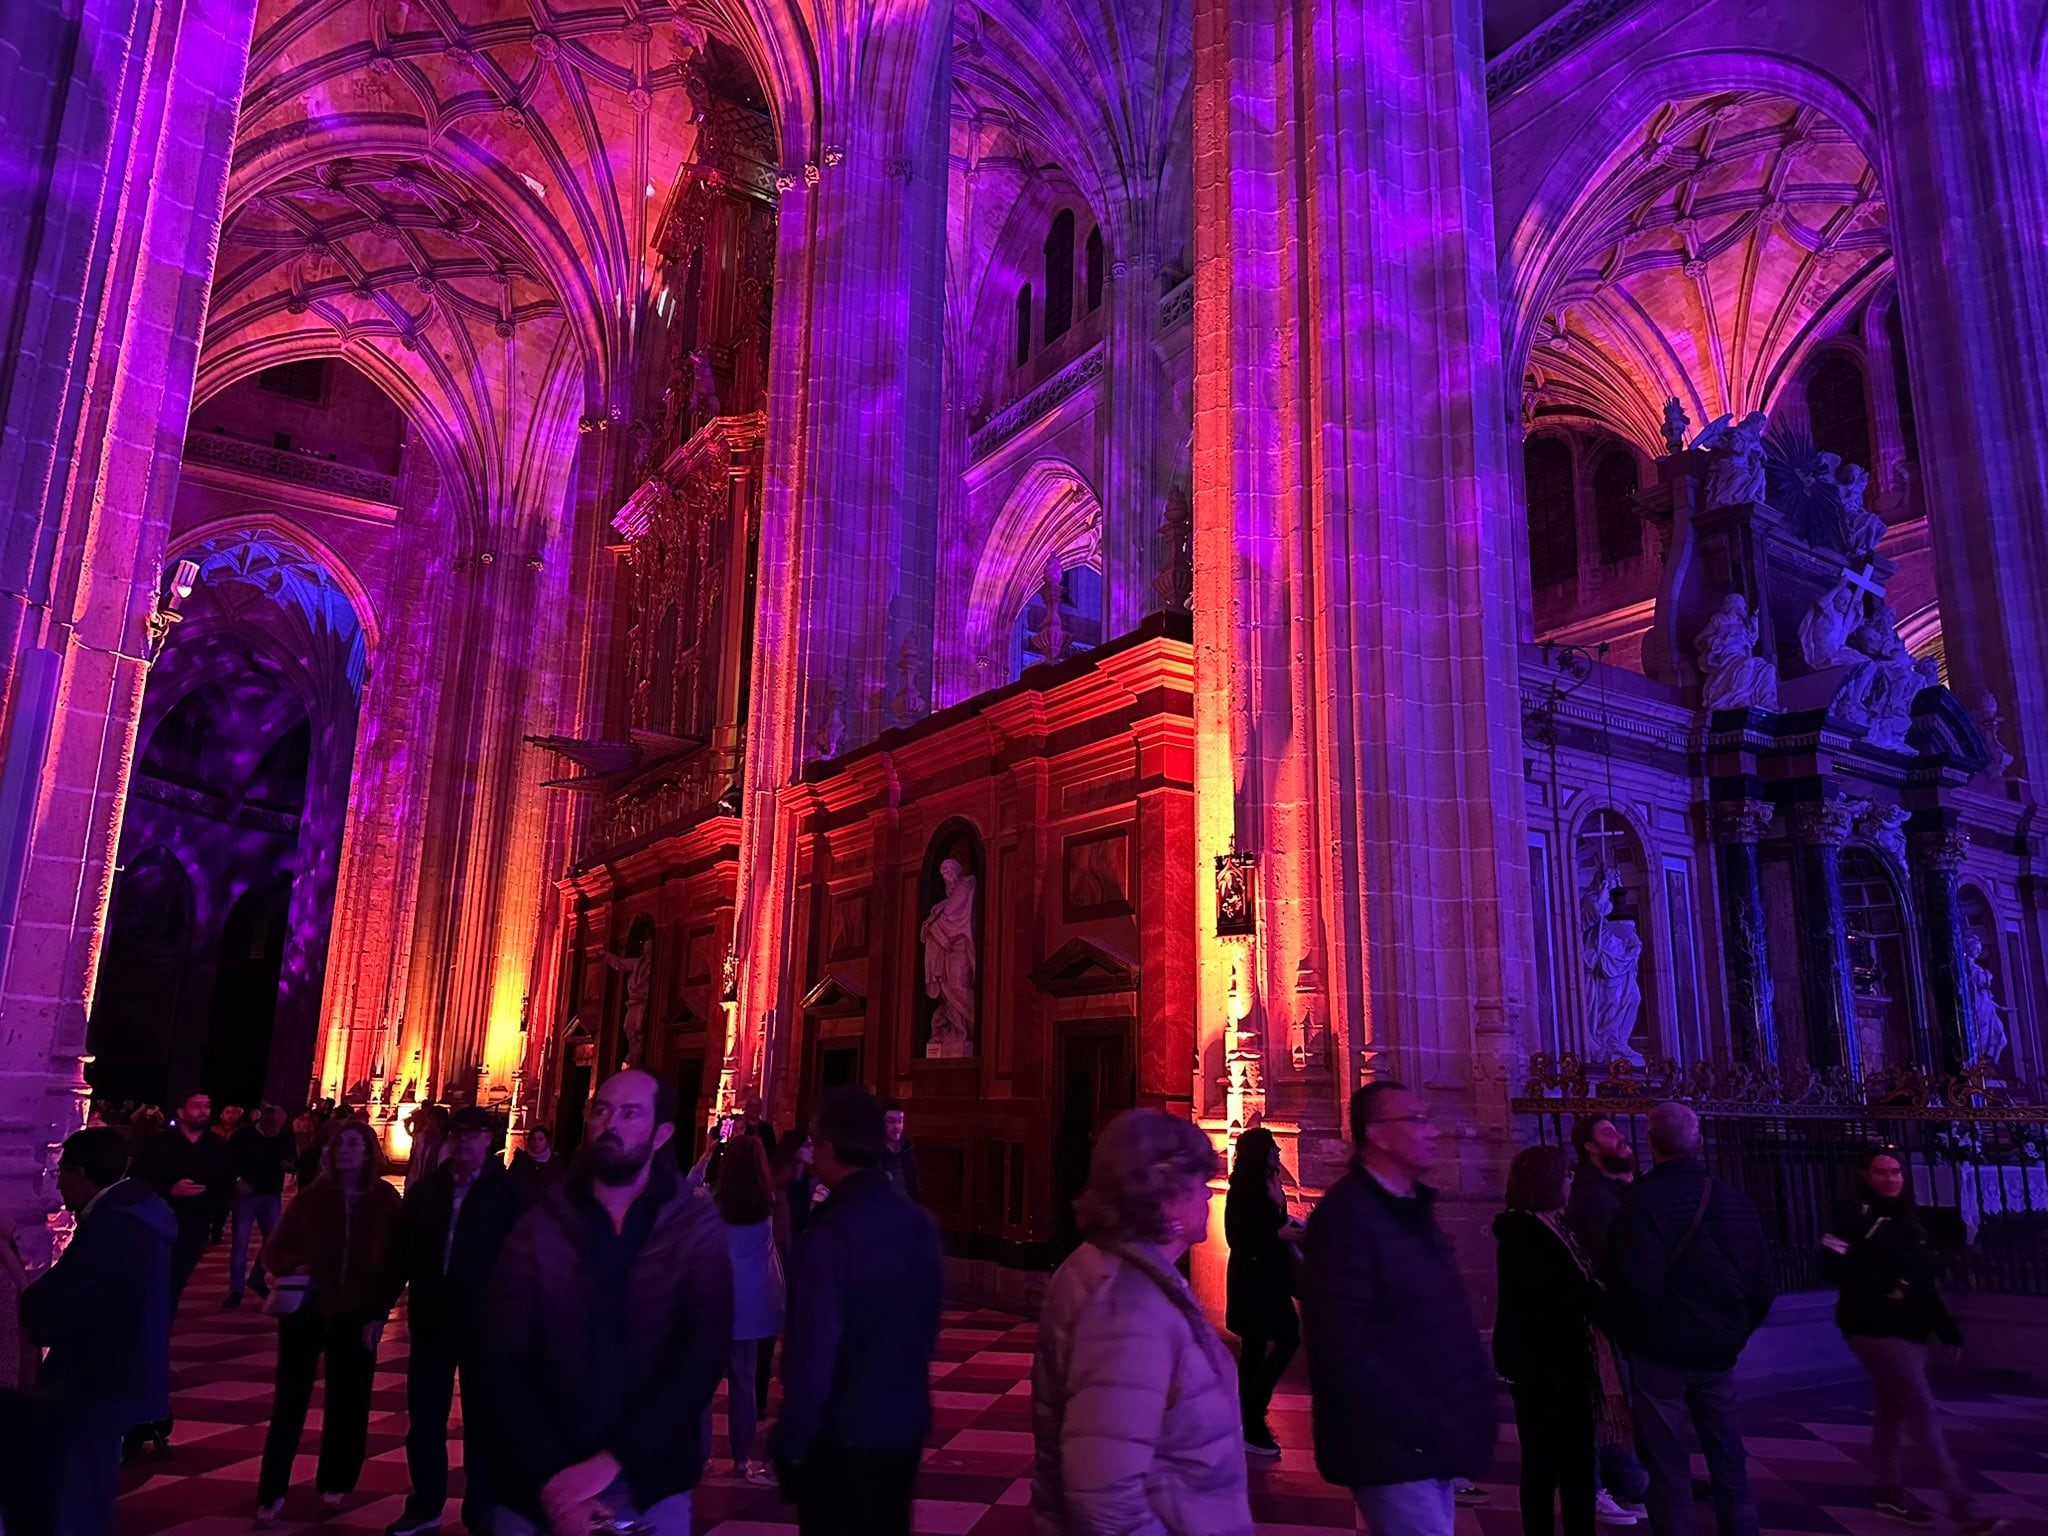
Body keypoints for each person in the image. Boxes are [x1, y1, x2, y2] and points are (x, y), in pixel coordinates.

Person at [486, 1069, 732, 1535]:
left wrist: (612, 1462)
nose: (611, 1123)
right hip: (537, 1488)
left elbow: (699, 1359)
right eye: (602, 1109)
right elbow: (500, 1359)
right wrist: (553, 1484)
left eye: (630, 1113)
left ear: (662, 1134)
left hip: (647, 1485)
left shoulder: (693, 1226)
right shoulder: (540, 1225)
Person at [1032, 1108, 1252, 1536]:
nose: (1209, 1197)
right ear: (1163, 1194)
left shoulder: (1119, 1272)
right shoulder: (1129, 1306)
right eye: (1200, 1185)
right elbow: (1105, 1499)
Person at [1301, 1082, 1496, 1536]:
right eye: (1416, 1120)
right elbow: (1342, 1345)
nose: (1432, 1131)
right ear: (1378, 1134)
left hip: (1428, 1442)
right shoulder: (1347, 1215)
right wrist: (1421, 1419)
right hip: (1393, 1446)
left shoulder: (1411, 1209)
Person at [771, 1086, 943, 1536]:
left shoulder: (829, 1235)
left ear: (828, 1146)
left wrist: (790, 1443)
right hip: (904, 1428)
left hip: (842, 1437)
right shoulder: (919, 1224)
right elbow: (927, 1327)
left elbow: (811, 1357)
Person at [1606, 1102, 1774, 1536]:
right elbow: (1762, 1284)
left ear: (1649, 1143)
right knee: (1729, 1463)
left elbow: (1635, 1285)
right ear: (1698, 1142)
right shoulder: (1735, 1199)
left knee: (1666, 1466)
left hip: (1661, 1352)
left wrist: (1637, 1338)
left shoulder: (1641, 1202)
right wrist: (1732, 1333)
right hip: (1717, 1350)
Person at [1821, 1147, 1999, 1535]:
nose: (1891, 1178)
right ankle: (1960, 1505)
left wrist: (1946, 1328)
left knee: (1891, 1411)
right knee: (1922, 1409)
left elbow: (1923, 1278)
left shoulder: (1908, 1218)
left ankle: (1886, 1490)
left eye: (1896, 1172)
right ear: (1865, 1175)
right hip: (1874, 1328)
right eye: (1882, 1172)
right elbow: (1832, 1264)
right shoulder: (1850, 1217)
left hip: (1913, 1329)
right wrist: (1886, 1286)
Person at [11, 1127, 173, 1536]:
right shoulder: (140, 1214)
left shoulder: (114, 1227)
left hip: (100, 1377)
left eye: (62, 1171)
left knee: (79, 1486)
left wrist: (18, 1285)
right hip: (125, 1370)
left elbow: (60, 1299)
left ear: (82, 1173)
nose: (58, 1182)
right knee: (92, 1479)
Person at [382, 1106, 531, 1536]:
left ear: (490, 1140)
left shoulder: (510, 1193)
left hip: (486, 1324)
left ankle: (480, 1508)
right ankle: (425, 1505)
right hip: (432, 1318)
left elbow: (525, 1258)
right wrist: (379, 1309)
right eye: (459, 1135)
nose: (465, 1143)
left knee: (482, 1421)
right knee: (424, 1419)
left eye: (475, 1135)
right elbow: (400, 1254)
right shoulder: (427, 1191)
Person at [255, 1118, 404, 1527]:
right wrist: (296, 1265)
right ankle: (271, 1491)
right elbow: (275, 1250)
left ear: (369, 1151)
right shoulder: (312, 1197)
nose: (348, 1152)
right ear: (331, 1153)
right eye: (341, 1145)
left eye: (356, 1144)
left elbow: (396, 1260)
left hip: (356, 1312)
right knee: (289, 1401)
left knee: (350, 1400)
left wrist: (378, 1311)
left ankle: (336, 1482)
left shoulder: (384, 1199)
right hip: (307, 1309)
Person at [1494, 1146, 1630, 1536]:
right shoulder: (1524, 1232)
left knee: (1576, 1463)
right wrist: (1596, 1290)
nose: (1571, 1181)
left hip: (1568, 1362)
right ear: (1547, 1182)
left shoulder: (1556, 1224)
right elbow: (1548, 1297)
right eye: (1565, 1175)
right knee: (1543, 1463)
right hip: (1545, 1367)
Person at [1563, 1115, 1650, 1523]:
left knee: (1622, 1406)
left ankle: (1632, 1481)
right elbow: (1611, 1256)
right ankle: (1613, 1485)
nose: (1619, 1137)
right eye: (1608, 1133)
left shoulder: (1614, 1189)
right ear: (1590, 1148)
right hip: (1608, 1316)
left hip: (1621, 1314)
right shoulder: (1592, 1197)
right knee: (1609, 1407)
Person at [1225, 1124, 1301, 1458]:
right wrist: (1278, 1236)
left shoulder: (1272, 1186)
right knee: (1256, 1347)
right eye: (1272, 1148)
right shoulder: (1242, 1189)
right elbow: (1238, 1237)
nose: (1278, 1153)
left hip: (1271, 1278)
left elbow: (1272, 1224)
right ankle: (1252, 1419)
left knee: (1285, 1338)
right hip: (1252, 1279)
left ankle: (1254, 1409)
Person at [717, 1134, 786, 1485]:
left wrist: (708, 1153)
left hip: (717, 1301)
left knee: (701, 1383)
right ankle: (741, 1459)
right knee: (744, 1384)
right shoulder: (768, 1205)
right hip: (752, 1302)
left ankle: (695, 1457)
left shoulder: (715, 1205)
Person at [131, 1089, 234, 1306]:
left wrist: (216, 1214)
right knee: (151, 1281)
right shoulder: (157, 1144)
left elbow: (225, 1181)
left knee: (177, 1280)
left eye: (207, 1106)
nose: (203, 1111)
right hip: (159, 1222)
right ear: (181, 1111)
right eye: (197, 1106)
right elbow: (138, 1178)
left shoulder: (217, 1146)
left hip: (197, 1225)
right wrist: (169, 1188)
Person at [225, 1103, 297, 1310]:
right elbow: (228, 1162)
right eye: (272, 1127)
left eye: (279, 1127)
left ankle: (257, 1277)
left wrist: (290, 1165)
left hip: (271, 1194)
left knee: (272, 1240)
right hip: (246, 1196)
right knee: (240, 1243)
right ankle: (235, 1290)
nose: (275, 1131)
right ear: (263, 1120)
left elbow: (292, 1159)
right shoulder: (243, 1135)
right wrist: (237, 1179)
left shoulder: (283, 1136)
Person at [879, 1097, 921, 1204]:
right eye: (891, 1121)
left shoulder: (908, 1149)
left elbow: (913, 1187)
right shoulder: (874, 1151)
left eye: (900, 1121)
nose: (897, 1126)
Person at [508, 1123, 566, 1196]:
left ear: (546, 1142)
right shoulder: (521, 1159)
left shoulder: (554, 1162)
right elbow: (510, 1181)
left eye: (540, 1139)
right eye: (533, 1139)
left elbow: (559, 1185)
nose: (536, 1142)